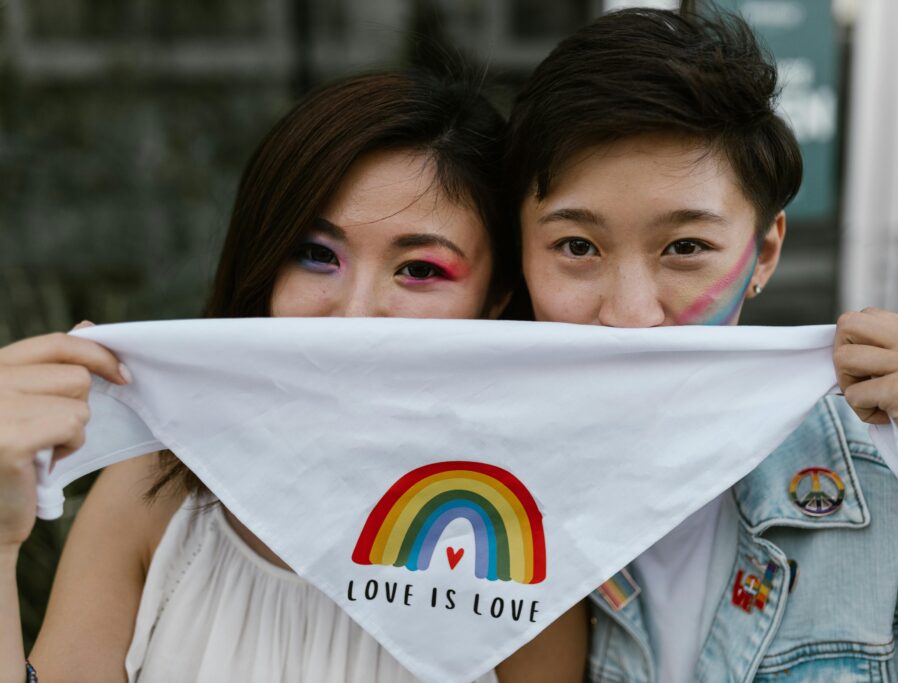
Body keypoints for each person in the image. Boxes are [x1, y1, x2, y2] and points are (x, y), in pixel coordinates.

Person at [0, 71, 587, 683]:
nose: (354, 314)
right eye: (315, 254)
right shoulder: (160, 490)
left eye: (419, 269)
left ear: (495, 300)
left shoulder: (525, 540)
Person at [504, 8, 898, 682]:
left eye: (685, 247)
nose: (631, 315)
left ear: (766, 251)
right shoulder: (473, 489)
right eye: (577, 246)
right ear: (520, 251)